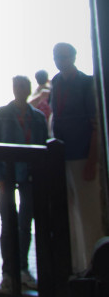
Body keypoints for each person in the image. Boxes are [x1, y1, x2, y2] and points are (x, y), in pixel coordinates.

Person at [49, 42, 104, 274]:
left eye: (63, 56)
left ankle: (97, 266)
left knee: (89, 212)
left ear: (73, 56)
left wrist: (92, 159)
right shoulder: (57, 82)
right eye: (56, 56)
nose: (60, 60)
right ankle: (76, 264)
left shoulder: (85, 83)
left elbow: (95, 125)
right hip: (62, 156)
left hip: (82, 155)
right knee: (69, 214)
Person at [0, 75, 49, 292]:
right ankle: (8, 271)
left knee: (25, 224)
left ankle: (22, 268)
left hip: (30, 174)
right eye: (17, 86)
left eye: (23, 86)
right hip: (8, 174)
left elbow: (42, 147)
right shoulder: (2, 114)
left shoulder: (38, 118)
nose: (20, 89)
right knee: (8, 223)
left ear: (28, 89)